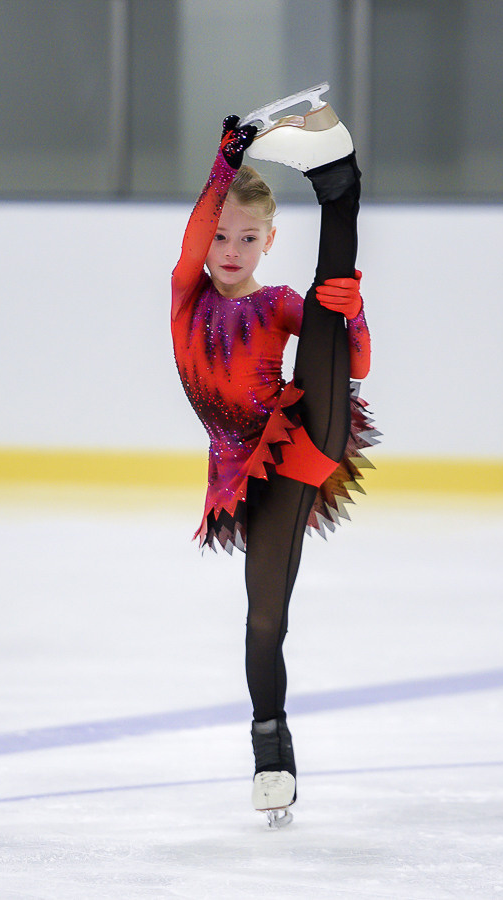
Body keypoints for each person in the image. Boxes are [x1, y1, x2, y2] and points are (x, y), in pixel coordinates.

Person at [170, 89, 377, 827]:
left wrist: (353, 314)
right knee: (264, 622)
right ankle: (272, 752)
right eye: (222, 237)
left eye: (247, 239)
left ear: (268, 240)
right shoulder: (187, 296)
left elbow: (356, 361)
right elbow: (197, 233)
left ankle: (337, 187)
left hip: (304, 432)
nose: (230, 252)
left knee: (324, 302)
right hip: (244, 473)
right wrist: (225, 162)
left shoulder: (277, 301)